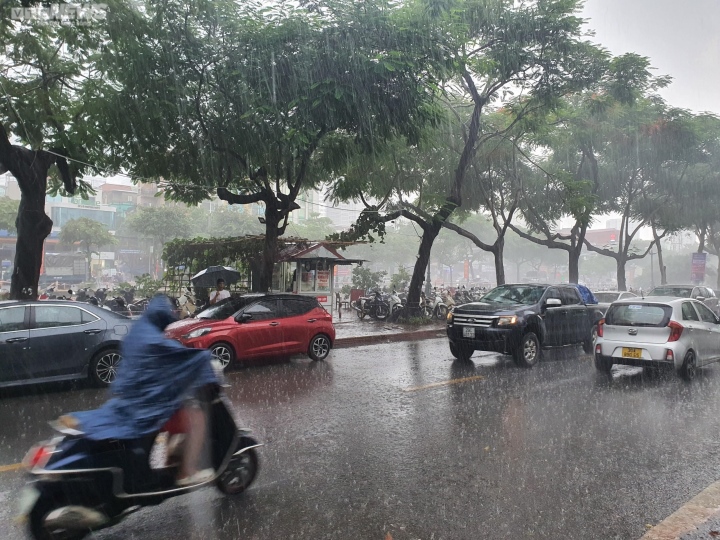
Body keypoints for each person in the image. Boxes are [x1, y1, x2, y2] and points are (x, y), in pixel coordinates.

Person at [59, 295, 219, 486]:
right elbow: (180, 357)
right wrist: (203, 359)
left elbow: (156, 361)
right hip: (145, 407)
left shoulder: (140, 331)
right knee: (197, 418)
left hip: (129, 400)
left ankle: (171, 461)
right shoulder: (154, 340)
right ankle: (186, 472)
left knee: (177, 406)